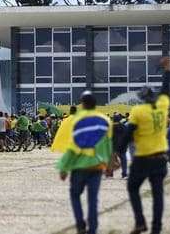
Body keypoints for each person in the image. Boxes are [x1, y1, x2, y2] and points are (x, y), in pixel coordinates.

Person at [121, 57, 170, 234]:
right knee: (158, 194)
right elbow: (166, 89)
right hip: (161, 158)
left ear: (142, 98)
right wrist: (167, 70)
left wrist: (116, 152)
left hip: (143, 158)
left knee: (133, 187)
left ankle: (140, 221)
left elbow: (128, 134)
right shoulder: (163, 106)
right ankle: (156, 229)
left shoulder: (138, 111)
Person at [56, 91, 113, 234]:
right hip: (97, 166)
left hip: (80, 167)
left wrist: (63, 167)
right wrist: (109, 165)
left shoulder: (77, 120)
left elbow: (73, 146)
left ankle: (80, 225)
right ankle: (92, 229)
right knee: (93, 199)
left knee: (75, 195)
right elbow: (108, 145)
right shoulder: (105, 120)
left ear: (83, 104)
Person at [107, 114, 128, 179]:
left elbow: (107, 137)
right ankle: (124, 174)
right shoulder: (124, 126)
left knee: (111, 160)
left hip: (113, 146)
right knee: (123, 160)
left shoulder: (110, 127)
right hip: (122, 146)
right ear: (120, 119)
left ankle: (110, 174)